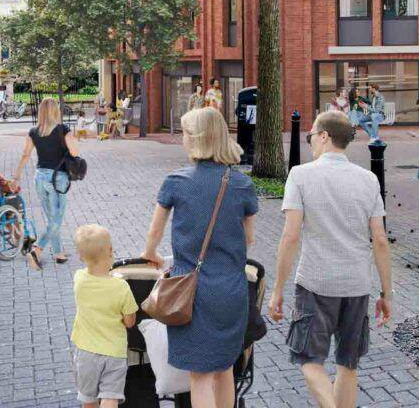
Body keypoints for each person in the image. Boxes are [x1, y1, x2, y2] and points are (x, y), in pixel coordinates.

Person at [270, 110, 393, 408]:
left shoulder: (300, 175)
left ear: (324, 136)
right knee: (348, 364)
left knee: (310, 360)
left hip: (315, 283)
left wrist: (277, 289)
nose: (310, 140)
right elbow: (379, 239)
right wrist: (386, 292)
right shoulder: (368, 180)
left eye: (311, 134)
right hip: (357, 285)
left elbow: (290, 237)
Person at [140, 107, 259, 408]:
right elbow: (249, 240)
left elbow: (151, 240)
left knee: (200, 376)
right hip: (231, 292)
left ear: (195, 138)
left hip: (192, 294)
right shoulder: (242, 184)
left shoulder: (176, 182)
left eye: (184, 134)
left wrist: (152, 255)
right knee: (224, 371)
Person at [72, 224, 138, 408]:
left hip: (86, 351)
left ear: (80, 256)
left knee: (88, 399)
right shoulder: (121, 287)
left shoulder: (79, 279)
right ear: (110, 250)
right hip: (114, 352)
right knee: (110, 397)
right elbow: (130, 321)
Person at [14, 97, 80, 264]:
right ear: (55, 111)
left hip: (40, 177)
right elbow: (74, 152)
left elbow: (25, 154)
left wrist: (17, 176)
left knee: (52, 218)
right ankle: (38, 249)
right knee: (57, 218)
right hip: (58, 178)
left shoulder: (34, 132)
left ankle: (58, 253)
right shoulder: (62, 130)